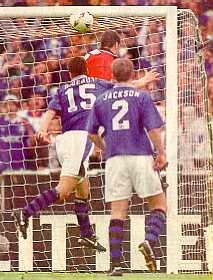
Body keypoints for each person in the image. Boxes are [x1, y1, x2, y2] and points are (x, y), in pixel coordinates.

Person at [13, 56, 115, 252]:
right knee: (63, 190)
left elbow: (49, 114)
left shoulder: (61, 90)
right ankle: (25, 213)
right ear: (87, 69)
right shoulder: (98, 84)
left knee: (82, 189)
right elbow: (121, 88)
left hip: (64, 140)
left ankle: (86, 234)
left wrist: (42, 130)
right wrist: (142, 82)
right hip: (81, 139)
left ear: (70, 74)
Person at [87, 58, 167, 276]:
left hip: (114, 159)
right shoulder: (141, 96)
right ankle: (149, 241)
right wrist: (161, 153)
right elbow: (153, 129)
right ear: (133, 74)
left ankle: (115, 265)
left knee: (118, 212)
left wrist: (103, 147)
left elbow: (91, 133)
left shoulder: (101, 100)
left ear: (111, 76)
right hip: (140, 155)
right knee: (159, 204)